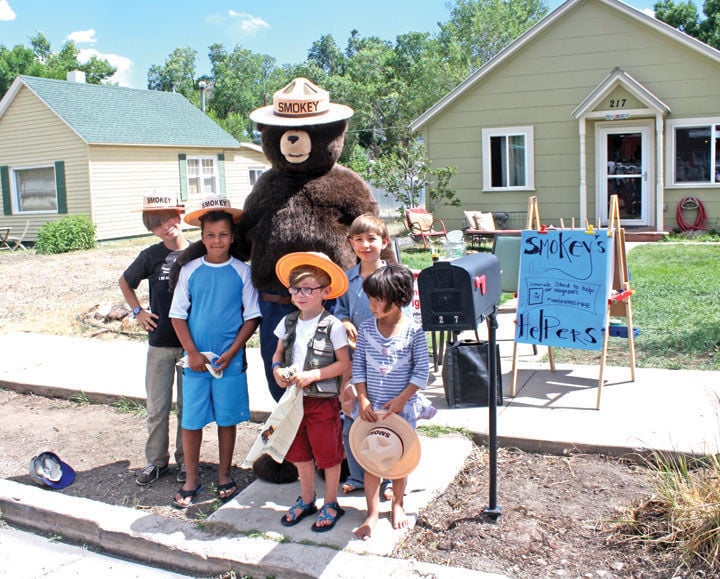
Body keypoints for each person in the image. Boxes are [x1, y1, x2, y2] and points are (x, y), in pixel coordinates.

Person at [168, 196, 261, 509]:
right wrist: (192, 353)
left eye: (223, 234)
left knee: (226, 418)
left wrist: (234, 351)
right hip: (195, 361)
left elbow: (251, 317)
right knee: (191, 420)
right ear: (202, 237)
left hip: (229, 361)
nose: (217, 240)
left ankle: (224, 474)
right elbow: (177, 315)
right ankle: (191, 478)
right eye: (210, 235)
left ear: (232, 237)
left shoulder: (242, 272)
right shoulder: (190, 270)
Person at [271, 252, 351, 532]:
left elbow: (344, 364)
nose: (301, 295)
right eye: (295, 289)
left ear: (325, 292)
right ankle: (307, 499)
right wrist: (278, 370)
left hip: (322, 403)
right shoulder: (288, 323)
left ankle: (331, 502)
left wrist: (315, 374)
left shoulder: (334, 326)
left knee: (328, 454)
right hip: (294, 403)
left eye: (308, 289)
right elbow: (278, 355)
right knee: (300, 453)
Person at [350, 264, 430, 540]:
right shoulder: (366, 329)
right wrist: (362, 398)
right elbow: (358, 366)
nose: (372, 305)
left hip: (401, 411)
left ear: (399, 300)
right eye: (370, 298)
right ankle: (371, 513)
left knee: (398, 461)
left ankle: (397, 503)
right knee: (372, 459)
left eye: (378, 300)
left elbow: (422, 371)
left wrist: (401, 400)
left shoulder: (413, 331)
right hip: (372, 410)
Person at [119, 193, 190, 486]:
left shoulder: (198, 252)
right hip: (160, 344)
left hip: (191, 345)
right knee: (157, 407)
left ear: (179, 216)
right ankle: (156, 462)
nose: (165, 227)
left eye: (168, 219)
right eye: (156, 224)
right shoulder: (151, 255)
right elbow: (126, 281)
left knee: (188, 409)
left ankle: (187, 461)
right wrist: (138, 311)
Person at [334, 214, 395, 499]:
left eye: (371, 239)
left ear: (384, 242)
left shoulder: (395, 277)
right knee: (352, 416)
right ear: (351, 244)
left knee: (389, 419)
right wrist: (344, 321)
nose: (365, 245)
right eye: (358, 240)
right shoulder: (346, 280)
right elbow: (339, 311)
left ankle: (392, 475)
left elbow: (405, 317)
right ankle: (358, 476)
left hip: (388, 362)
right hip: (355, 362)